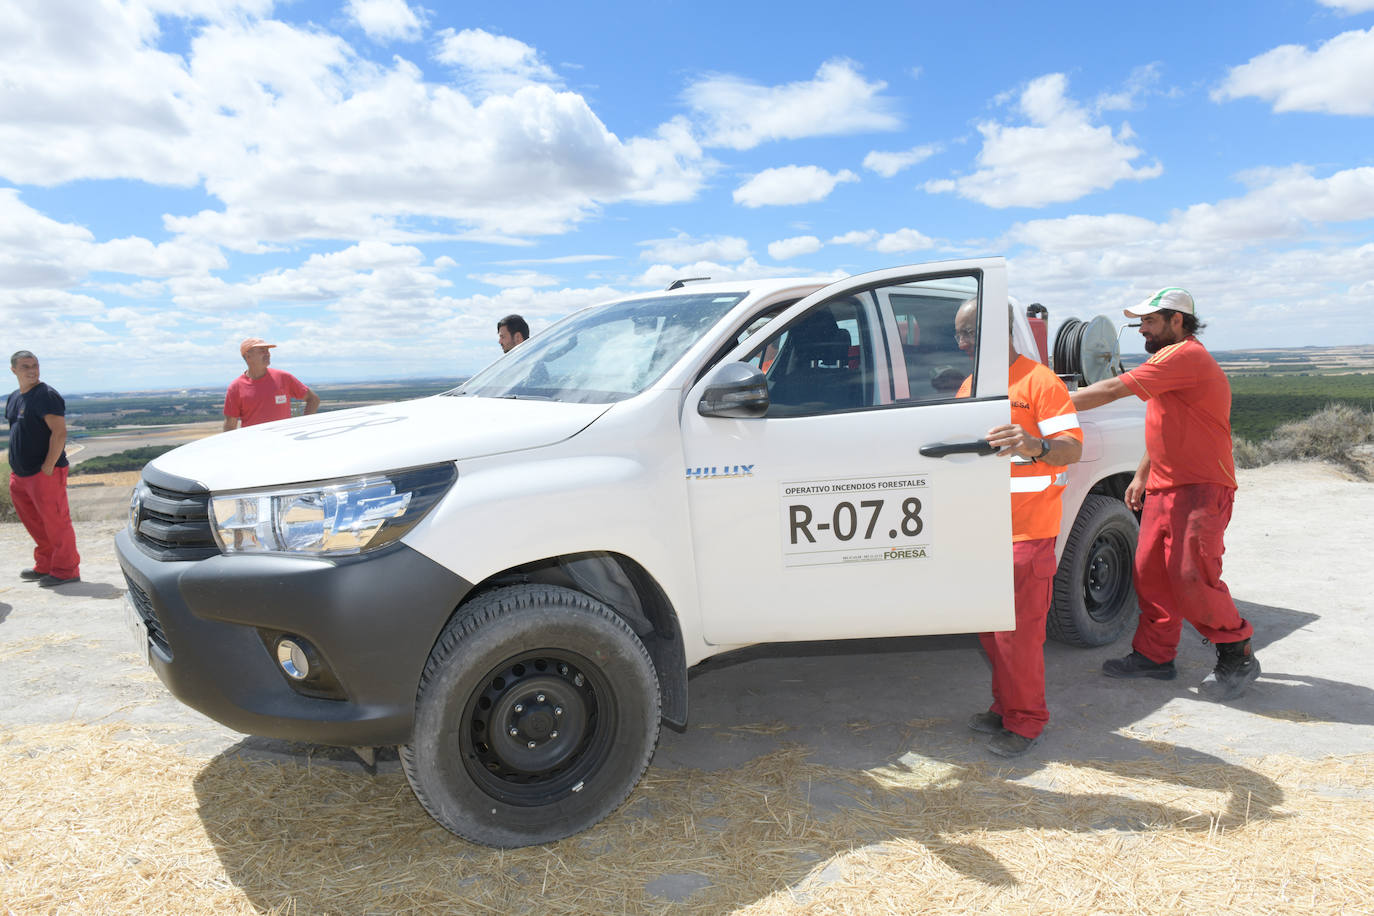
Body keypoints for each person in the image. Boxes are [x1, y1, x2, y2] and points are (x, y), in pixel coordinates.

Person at [1070, 288, 1259, 700]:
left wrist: (1045, 404)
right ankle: (1155, 658)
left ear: (1178, 321)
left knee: (1193, 577)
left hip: (1202, 488)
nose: (1142, 330)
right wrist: (1141, 475)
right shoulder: (1165, 361)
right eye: (1140, 323)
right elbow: (1163, 429)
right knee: (1151, 574)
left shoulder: (1185, 356)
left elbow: (1108, 392)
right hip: (1164, 487)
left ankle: (1237, 652)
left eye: (1150, 322)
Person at [956, 302, 1083, 756]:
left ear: (998, 331)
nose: (964, 344)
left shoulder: (1040, 382)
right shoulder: (972, 385)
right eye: (960, 336)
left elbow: (1070, 449)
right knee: (992, 633)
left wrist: (1036, 445)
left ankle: (1027, 723)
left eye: (970, 333)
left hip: (1028, 533)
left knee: (1020, 638)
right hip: (986, 532)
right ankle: (1005, 707)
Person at [6, 351, 81, 587]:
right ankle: (46, 565)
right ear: (14, 370)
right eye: (25, 366)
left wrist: (48, 466)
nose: (32, 370)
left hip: (44, 473)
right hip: (20, 473)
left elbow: (59, 433)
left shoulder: (46, 395)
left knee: (56, 522)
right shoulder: (14, 397)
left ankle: (66, 570)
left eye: (35, 365)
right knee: (36, 525)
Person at [223, 337, 320, 431]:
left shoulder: (283, 377)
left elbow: (313, 399)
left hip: (285, 442)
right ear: (248, 356)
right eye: (262, 350)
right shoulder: (235, 387)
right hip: (254, 444)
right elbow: (230, 426)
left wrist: (304, 425)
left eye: (268, 350)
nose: (268, 354)